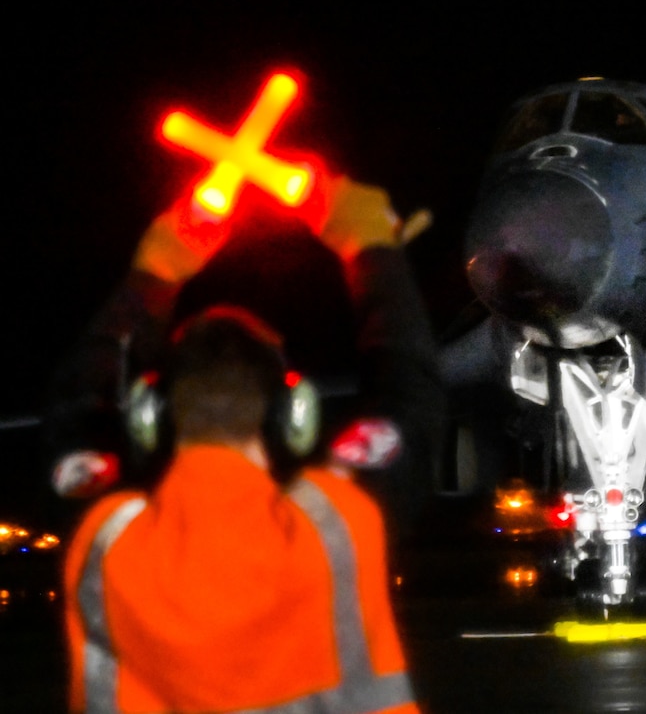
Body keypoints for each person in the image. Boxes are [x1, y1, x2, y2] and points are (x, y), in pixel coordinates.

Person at [54, 175, 434, 712]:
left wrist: (153, 272)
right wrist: (371, 245)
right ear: (292, 416)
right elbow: (409, 393)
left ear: (149, 417)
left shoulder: (104, 541)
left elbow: (77, 410)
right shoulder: (335, 526)